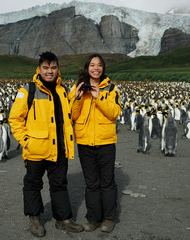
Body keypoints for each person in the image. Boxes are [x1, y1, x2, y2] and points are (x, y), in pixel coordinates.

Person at [8, 51, 83, 237]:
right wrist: (26, 142)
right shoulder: (28, 90)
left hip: (60, 148)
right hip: (36, 148)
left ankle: (63, 219)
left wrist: (78, 99)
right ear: (39, 69)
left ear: (58, 69)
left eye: (53, 67)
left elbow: (71, 117)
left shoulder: (63, 91)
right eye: (46, 68)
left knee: (59, 184)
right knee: (33, 184)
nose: (50, 71)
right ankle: (34, 219)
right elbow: (15, 119)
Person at [69, 53, 121, 233]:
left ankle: (109, 218)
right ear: (87, 67)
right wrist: (76, 98)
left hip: (106, 142)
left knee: (107, 182)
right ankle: (93, 218)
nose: (96, 68)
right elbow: (72, 115)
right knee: (91, 183)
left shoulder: (111, 89)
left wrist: (99, 97)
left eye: (99, 65)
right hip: (85, 142)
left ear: (103, 68)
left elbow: (114, 112)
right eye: (92, 65)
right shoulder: (78, 88)